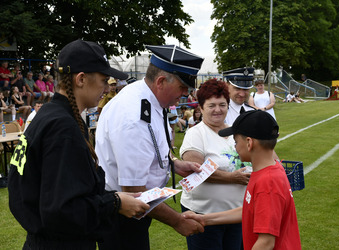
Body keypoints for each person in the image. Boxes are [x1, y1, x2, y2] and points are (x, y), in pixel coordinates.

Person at [7, 39, 150, 250]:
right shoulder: (62, 127)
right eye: (103, 79)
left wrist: (112, 197)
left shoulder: (49, 114)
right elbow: (63, 211)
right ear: (81, 79)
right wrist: (115, 204)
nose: (106, 87)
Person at [95, 44, 206, 250]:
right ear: (161, 81)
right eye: (182, 87)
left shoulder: (148, 97)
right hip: (123, 215)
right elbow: (134, 191)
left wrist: (174, 165)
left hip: (134, 211)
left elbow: (153, 145)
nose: (184, 94)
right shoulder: (133, 117)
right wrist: (177, 221)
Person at [184, 110, 302, 250]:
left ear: (249, 143)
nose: (235, 147)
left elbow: (266, 243)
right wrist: (204, 219)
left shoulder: (267, 183)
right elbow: (249, 210)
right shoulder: (269, 169)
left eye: (235, 142)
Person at [180, 79, 250, 249]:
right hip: (203, 214)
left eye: (222, 104)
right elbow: (196, 170)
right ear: (201, 108)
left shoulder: (236, 130)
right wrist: (232, 178)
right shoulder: (196, 134)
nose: (218, 110)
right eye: (211, 106)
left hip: (236, 214)